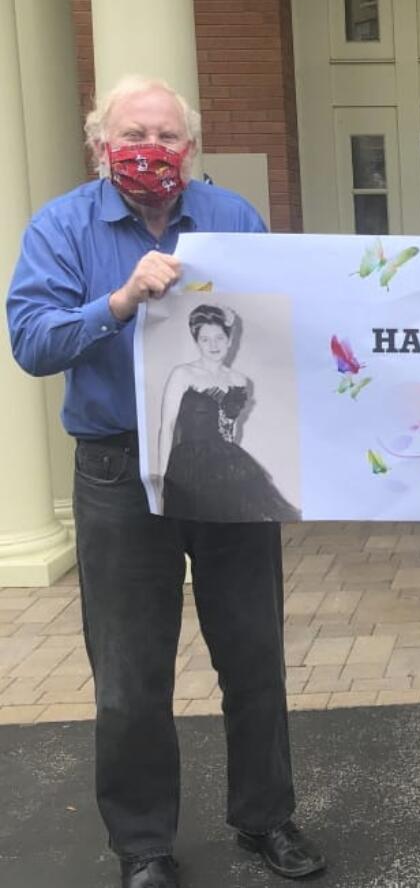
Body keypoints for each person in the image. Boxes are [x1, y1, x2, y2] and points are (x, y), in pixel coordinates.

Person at [6, 76, 323, 888]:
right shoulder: (61, 227)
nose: (152, 148)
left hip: (228, 472)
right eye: (133, 132)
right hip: (119, 469)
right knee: (130, 675)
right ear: (99, 143)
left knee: (254, 655)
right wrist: (116, 302)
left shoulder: (232, 219)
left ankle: (267, 819)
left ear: (192, 147)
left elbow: (287, 324)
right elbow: (33, 343)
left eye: (168, 135)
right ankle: (143, 846)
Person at [156, 303, 301, 523]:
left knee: (233, 527)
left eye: (219, 338)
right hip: (188, 466)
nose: (213, 345)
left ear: (230, 340)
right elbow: (167, 426)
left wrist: (232, 469)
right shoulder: (183, 374)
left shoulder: (239, 381)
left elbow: (231, 429)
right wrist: (162, 477)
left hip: (225, 465)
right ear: (197, 342)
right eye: (205, 339)